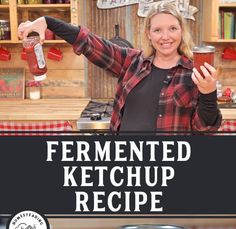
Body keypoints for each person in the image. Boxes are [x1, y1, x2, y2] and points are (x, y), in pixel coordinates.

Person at [18, 2, 222, 132]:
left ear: (181, 32)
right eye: (158, 30)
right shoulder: (132, 62)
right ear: (148, 35)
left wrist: (208, 93)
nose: (166, 36)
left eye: (172, 28)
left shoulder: (195, 73)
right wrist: (47, 21)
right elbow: (89, 42)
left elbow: (205, 129)